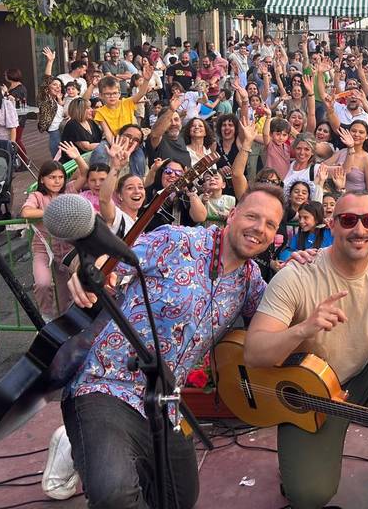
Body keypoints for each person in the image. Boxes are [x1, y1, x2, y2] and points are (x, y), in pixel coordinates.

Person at [45, 183, 285, 507]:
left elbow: (273, 326)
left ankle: (82, 446)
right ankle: (87, 441)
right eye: (253, 216)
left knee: (177, 499)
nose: (260, 228)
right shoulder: (176, 239)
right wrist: (83, 269)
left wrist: (303, 272)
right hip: (106, 382)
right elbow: (108, 262)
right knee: (115, 495)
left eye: (270, 224)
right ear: (232, 214)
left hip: (162, 402)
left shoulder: (251, 281)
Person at [244, 191, 368, 509]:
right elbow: (254, 353)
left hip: (359, 372)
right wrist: (304, 328)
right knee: (310, 496)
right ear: (332, 225)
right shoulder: (298, 275)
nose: (360, 229)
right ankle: (297, 464)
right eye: (349, 220)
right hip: (307, 391)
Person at [20, 149, 87, 319]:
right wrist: (52, 211)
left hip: (68, 247)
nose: (57, 181)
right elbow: (26, 212)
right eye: (52, 177)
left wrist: (78, 157)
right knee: (42, 283)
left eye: (60, 177)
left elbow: (85, 174)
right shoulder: (37, 195)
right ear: (42, 179)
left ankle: (67, 322)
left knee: (66, 291)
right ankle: (46, 318)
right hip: (43, 247)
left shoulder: (70, 190)